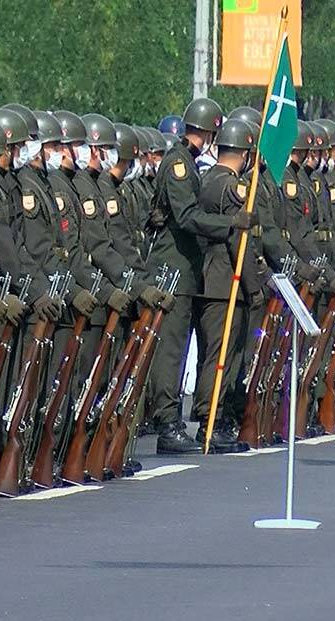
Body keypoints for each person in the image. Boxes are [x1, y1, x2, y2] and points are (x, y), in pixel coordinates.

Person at [146, 97, 244, 454]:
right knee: (171, 351)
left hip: (186, 268)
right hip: (173, 265)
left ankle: (171, 420)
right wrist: (229, 224)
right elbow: (186, 216)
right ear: (208, 131)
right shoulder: (179, 164)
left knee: (180, 347)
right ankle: (167, 423)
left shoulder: (188, 162)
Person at [192, 118, 260, 452]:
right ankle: (210, 421)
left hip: (211, 278)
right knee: (220, 357)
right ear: (244, 153)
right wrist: (253, 284)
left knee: (212, 354)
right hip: (224, 280)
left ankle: (211, 418)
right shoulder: (233, 186)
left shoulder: (208, 179)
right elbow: (238, 241)